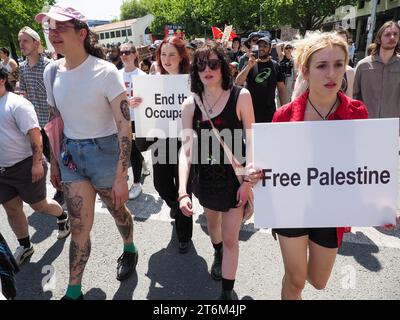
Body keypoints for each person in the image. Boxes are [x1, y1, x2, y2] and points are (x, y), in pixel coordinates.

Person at [35, 4, 138, 300]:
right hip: (71, 156)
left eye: (60, 28)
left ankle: (129, 247)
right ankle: (73, 290)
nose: (53, 35)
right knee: (79, 224)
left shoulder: (105, 72)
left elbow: (123, 125)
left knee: (119, 211)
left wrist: (121, 176)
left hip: (105, 152)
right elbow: (56, 122)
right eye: (49, 29)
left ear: (81, 34)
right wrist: (55, 162)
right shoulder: (51, 71)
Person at [271, 32, 369, 300]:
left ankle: (294, 277)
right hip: (292, 206)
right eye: (322, 66)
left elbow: (365, 168)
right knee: (296, 281)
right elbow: (273, 166)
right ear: (305, 70)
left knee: (318, 281)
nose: (331, 74)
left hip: (330, 209)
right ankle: (291, 281)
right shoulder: (284, 116)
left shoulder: (357, 113)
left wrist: (380, 204)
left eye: (338, 64)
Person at [178, 44, 261, 299]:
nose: (207, 70)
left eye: (213, 64)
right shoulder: (190, 104)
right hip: (205, 179)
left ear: (223, 67)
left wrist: (248, 181)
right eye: (201, 65)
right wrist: (182, 190)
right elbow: (186, 149)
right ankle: (217, 252)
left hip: (234, 179)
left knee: (230, 238)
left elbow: (253, 140)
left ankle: (226, 293)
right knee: (212, 225)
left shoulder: (241, 96)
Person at [0, 67, 70, 267]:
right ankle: (25, 245)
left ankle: (62, 216)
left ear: (3, 79)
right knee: (12, 209)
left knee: (39, 206)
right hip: (2, 171)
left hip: (25, 165)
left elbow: (35, 135)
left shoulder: (17, 104)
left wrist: (37, 163)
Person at [130, 36, 193, 254]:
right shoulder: (152, 81)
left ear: (181, 56)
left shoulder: (191, 81)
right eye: (163, 54)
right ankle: (177, 209)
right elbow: (146, 110)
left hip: (186, 140)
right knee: (161, 185)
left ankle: (184, 234)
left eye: (171, 55)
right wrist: (136, 103)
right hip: (162, 140)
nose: (166, 59)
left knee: (184, 187)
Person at [17, 26, 65, 206]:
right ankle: (57, 187)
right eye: (20, 41)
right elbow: (23, 93)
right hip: (35, 124)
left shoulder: (49, 66)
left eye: (25, 41)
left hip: (54, 122)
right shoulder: (22, 68)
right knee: (44, 157)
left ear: (36, 43)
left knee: (58, 157)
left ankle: (64, 189)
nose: (21, 44)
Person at [119, 42, 150, 200]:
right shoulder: (116, 74)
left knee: (135, 149)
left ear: (135, 54)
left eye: (128, 52)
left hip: (138, 118)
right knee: (129, 150)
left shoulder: (142, 76)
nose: (124, 55)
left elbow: (149, 99)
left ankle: (137, 181)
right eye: (122, 52)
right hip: (122, 119)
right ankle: (137, 181)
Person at [353, 21, 400, 119]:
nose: (392, 37)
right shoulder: (363, 66)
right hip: (366, 122)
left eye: (395, 34)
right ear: (379, 39)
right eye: (387, 34)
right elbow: (353, 96)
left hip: (393, 124)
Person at [236, 36, 288, 123]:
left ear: (270, 50)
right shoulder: (250, 64)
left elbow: (282, 89)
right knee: (250, 137)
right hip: (250, 112)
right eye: (259, 46)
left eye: (265, 46)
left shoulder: (276, 66)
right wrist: (248, 66)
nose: (261, 48)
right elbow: (238, 82)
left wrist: (285, 110)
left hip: (269, 113)